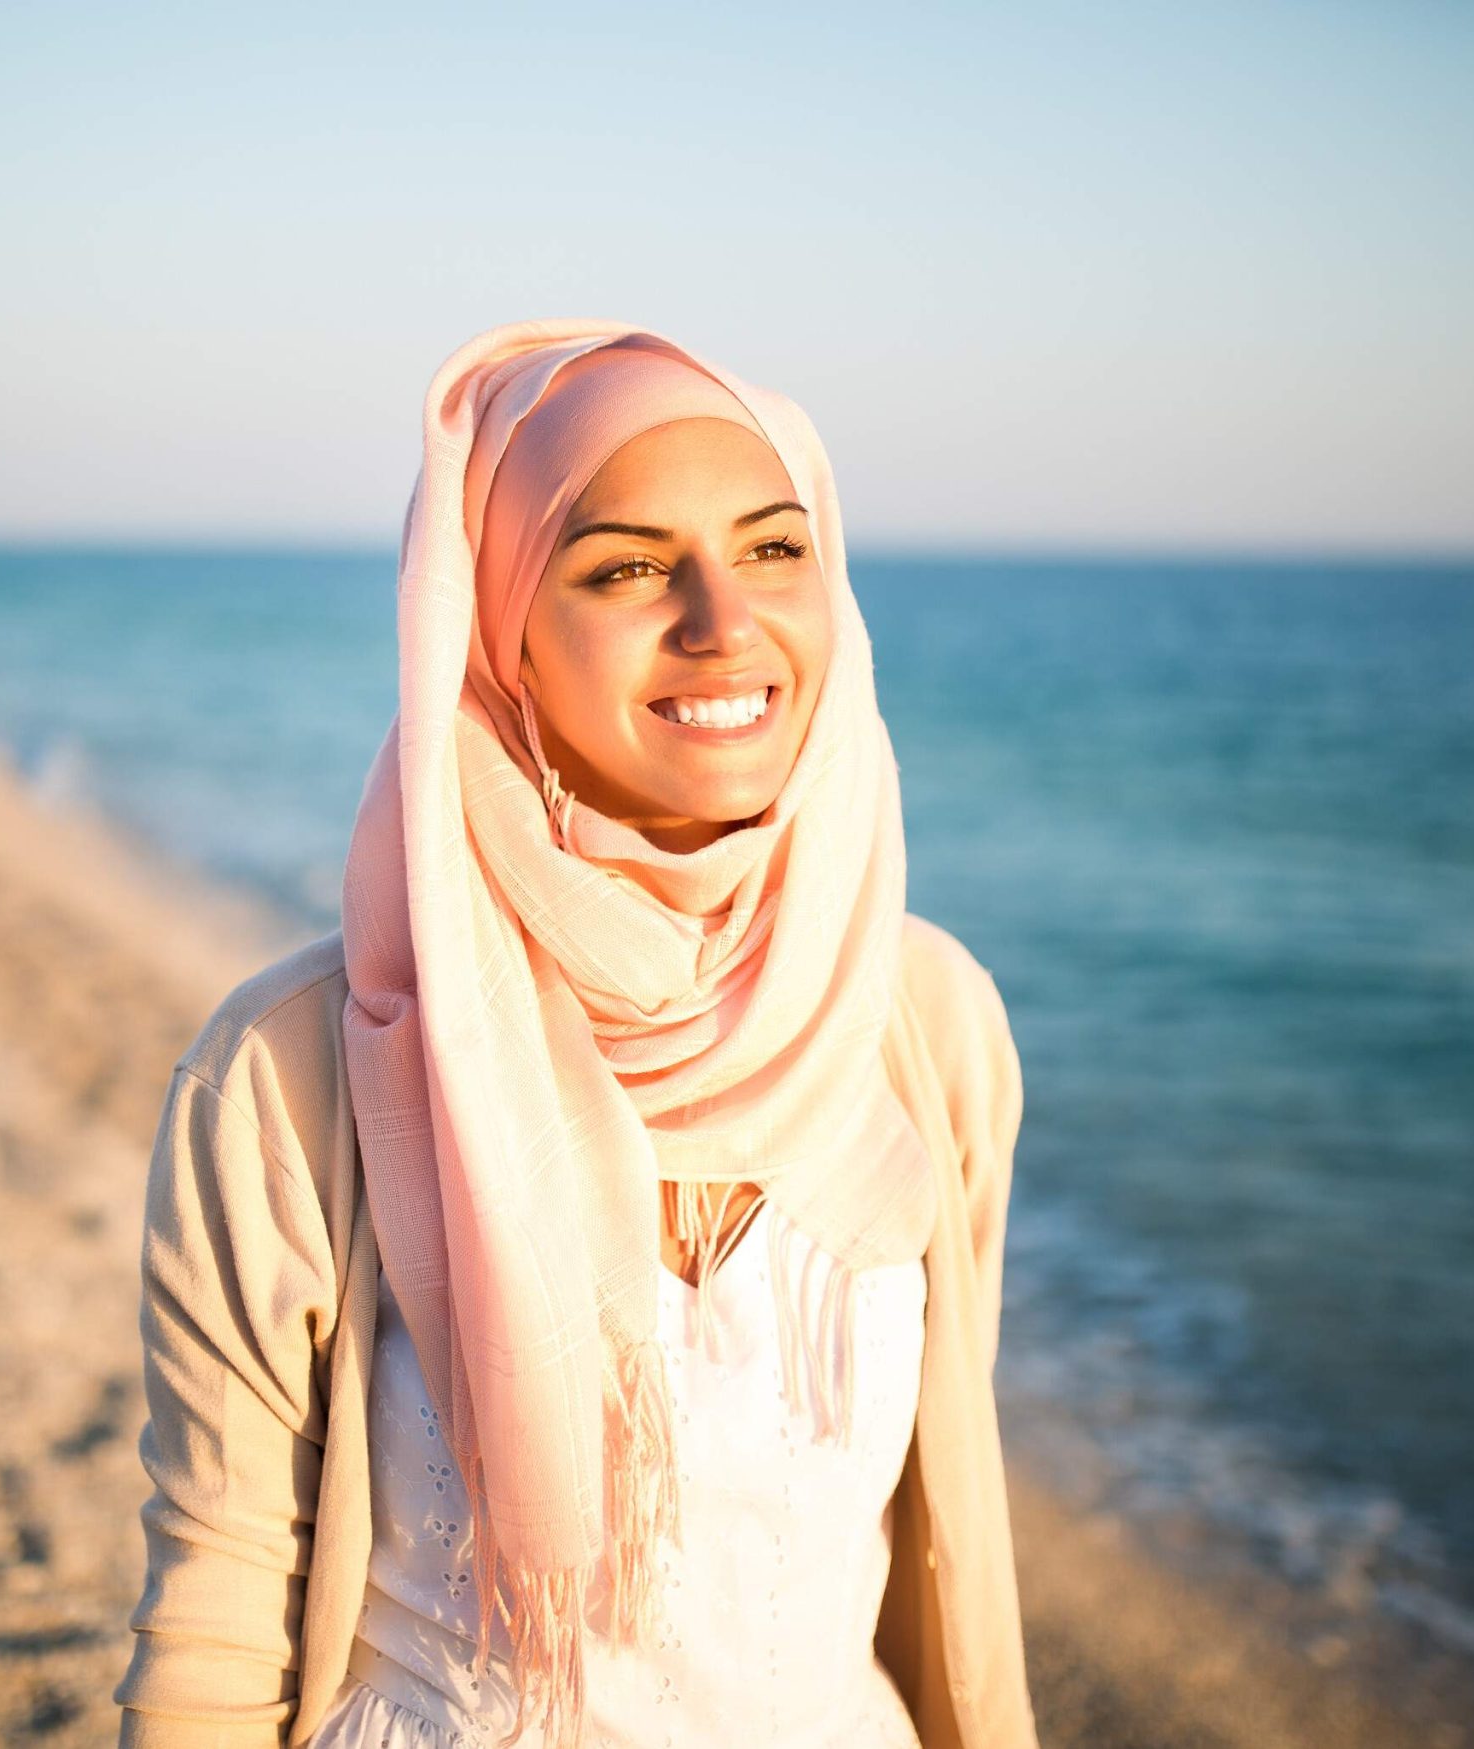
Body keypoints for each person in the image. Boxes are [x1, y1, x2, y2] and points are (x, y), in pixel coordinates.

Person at [112, 320, 1039, 1749]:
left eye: (776, 549)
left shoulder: (925, 1021)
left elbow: (947, 1546)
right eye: (624, 566)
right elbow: (216, 1626)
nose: (724, 622)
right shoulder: (295, 1072)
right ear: (501, 634)